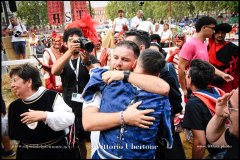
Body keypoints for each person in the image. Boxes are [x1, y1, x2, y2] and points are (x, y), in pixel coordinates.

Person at [82, 42, 172, 159]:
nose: (118, 63)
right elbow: (88, 123)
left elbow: (164, 88)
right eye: (115, 57)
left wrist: (124, 75)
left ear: (135, 63)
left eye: (125, 60)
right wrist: (125, 117)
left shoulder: (150, 85)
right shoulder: (102, 78)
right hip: (104, 153)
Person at [51, 18, 101, 158]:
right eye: (71, 41)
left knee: (95, 139)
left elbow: (99, 73)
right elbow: (54, 70)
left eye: (77, 40)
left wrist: (87, 62)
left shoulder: (88, 57)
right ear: (66, 43)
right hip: (70, 107)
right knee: (77, 143)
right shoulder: (64, 60)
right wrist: (69, 52)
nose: (75, 43)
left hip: (90, 106)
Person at [8, 63, 75, 159]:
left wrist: (45, 116)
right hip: (26, 154)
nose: (12, 85)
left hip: (54, 153)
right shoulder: (14, 106)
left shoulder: (51, 97)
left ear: (29, 82)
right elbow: (11, 134)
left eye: (15, 80)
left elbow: (69, 118)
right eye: (11, 81)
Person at [178, 16, 233, 99]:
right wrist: (184, 89)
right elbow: (180, 68)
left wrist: (222, 74)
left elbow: (206, 65)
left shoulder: (204, 43)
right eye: (212, 29)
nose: (214, 31)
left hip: (203, 87)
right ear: (204, 28)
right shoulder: (190, 44)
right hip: (194, 89)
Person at [182, 59, 228, 159]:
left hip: (221, 153)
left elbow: (200, 142)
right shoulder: (218, 91)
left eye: (187, 74)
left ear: (190, 79)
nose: (185, 76)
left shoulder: (194, 103)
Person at [206, 88, 239, 159]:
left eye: (230, 106)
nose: (226, 111)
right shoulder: (236, 134)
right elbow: (215, 140)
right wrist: (219, 116)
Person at [208, 23, 239, 93]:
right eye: (217, 33)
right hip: (210, 79)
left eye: (222, 33)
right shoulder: (207, 47)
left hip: (226, 80)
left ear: (225, 34)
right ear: (213, 34)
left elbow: (235, 66)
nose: (220, 35)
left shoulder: (233, 48)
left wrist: (224, 75)